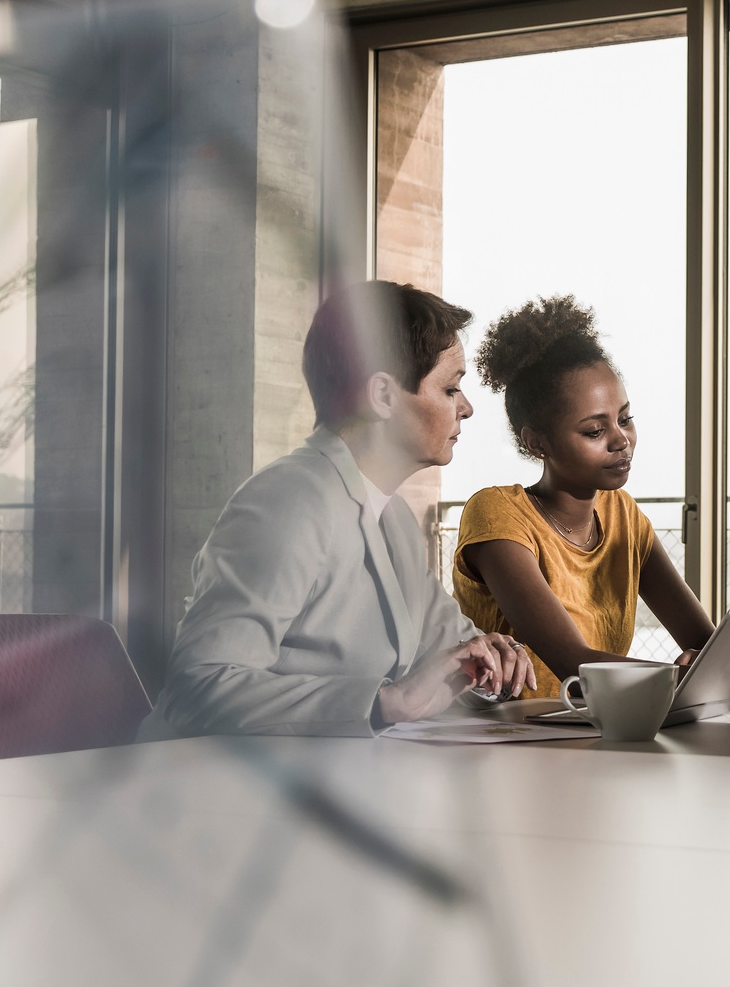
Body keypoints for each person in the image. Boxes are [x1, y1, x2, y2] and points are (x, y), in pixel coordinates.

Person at [140, 282, 532, 740]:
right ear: (383, 396)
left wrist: (490, 661)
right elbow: (198, 689)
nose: (466, 408)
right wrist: (385, 702)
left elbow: (450, 656)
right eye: (450, 388)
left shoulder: (396, 519)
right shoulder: (287, 502)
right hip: (203, 791)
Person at [453, 297, 730, 702]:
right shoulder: (497, 515)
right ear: (537, 442)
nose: (621, 440)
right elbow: (571, 662)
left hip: (599, 731)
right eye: (595, 431)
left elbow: (707, 645)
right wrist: (726, 682)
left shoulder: (622, 515)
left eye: (625, 419)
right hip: (512, 740)